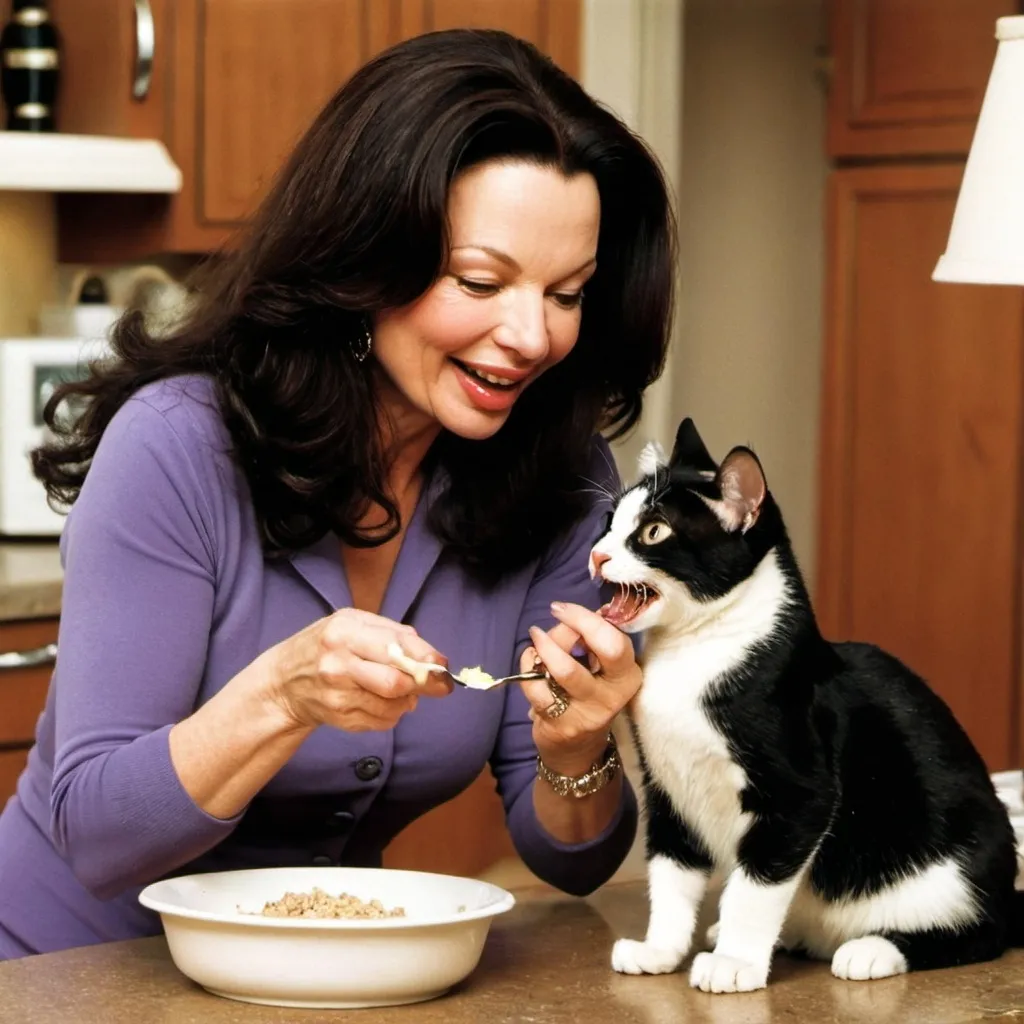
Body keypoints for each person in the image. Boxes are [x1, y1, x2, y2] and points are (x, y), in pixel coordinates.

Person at [0, 28, 675, 958]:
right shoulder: (178, 448)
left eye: (568, 293)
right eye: (481, 280)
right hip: (61, 975)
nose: (531, 335)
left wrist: (575, 754)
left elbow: (572, 863)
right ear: (366, 262)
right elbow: (98, 837)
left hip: (319, 979)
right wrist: (282, 694)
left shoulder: (563, 485)